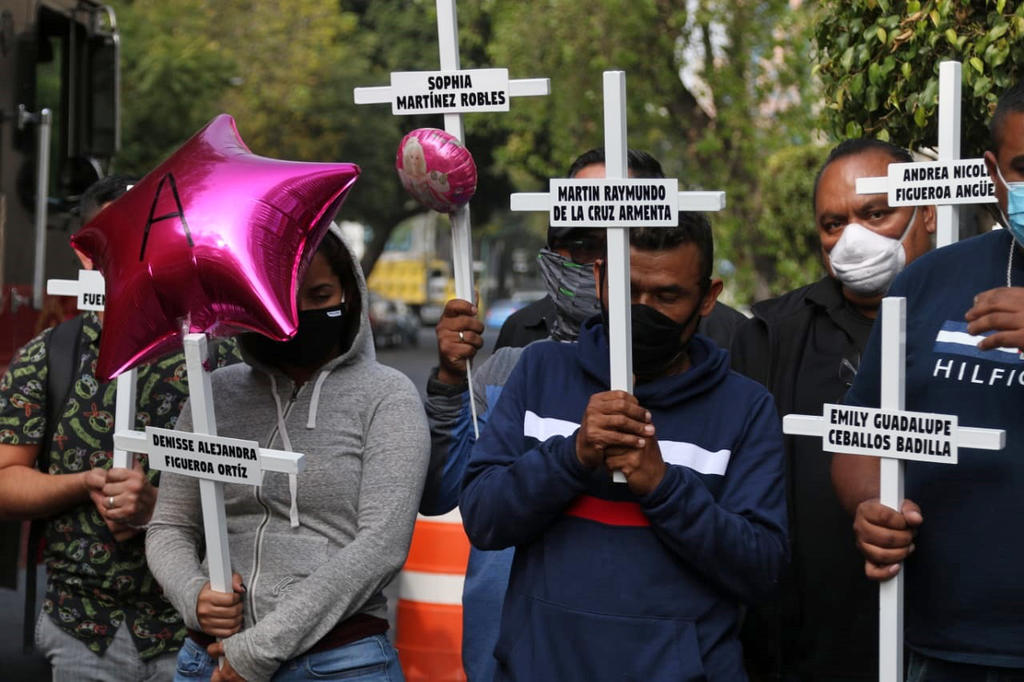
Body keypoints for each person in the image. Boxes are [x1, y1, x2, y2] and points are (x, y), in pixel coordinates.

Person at [424, 148, 749, 681]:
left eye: (612, 232)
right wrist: (449, 383)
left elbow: (752, 547)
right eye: (575, 238)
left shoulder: (728, 347)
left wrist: (661, 482)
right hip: (519, 652)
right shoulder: (524, 349)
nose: (594, 253)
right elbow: (455, 495)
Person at [146, 225, 430, 682]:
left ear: (350, 296)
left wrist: (260, 649)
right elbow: (169, 525)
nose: (300, 313)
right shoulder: (213, 394)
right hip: (209, 660)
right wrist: (193, 594)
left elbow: (381, 546)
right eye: (280, 296)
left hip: (338, 662)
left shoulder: (387, 397)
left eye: (320, 296)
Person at [0, 175, 239, 680]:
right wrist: (85, 484)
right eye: (119, 238)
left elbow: (265, 490)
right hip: (82, 628)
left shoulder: (222, 358)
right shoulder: (49, 356)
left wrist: (161, 509)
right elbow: (5, 479)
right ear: (86, 254)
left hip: (196, 631)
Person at [833, 80, 1024, 680]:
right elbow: (863, 432)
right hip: (941, 644)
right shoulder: (931, 279)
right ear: (993, 173)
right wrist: (872, 505)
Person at [730, 138, 937, 681]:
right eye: (832, 224)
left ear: (930, 212)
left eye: (876, 213)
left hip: (957, 642)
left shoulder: (982, 325)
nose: (854, 239)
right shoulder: (772, 335)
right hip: (811, 649)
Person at [493, 148, 748, 352]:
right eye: (584, 246)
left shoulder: (734, 337)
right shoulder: (522, 333)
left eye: (627, 240)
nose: (605, 264)